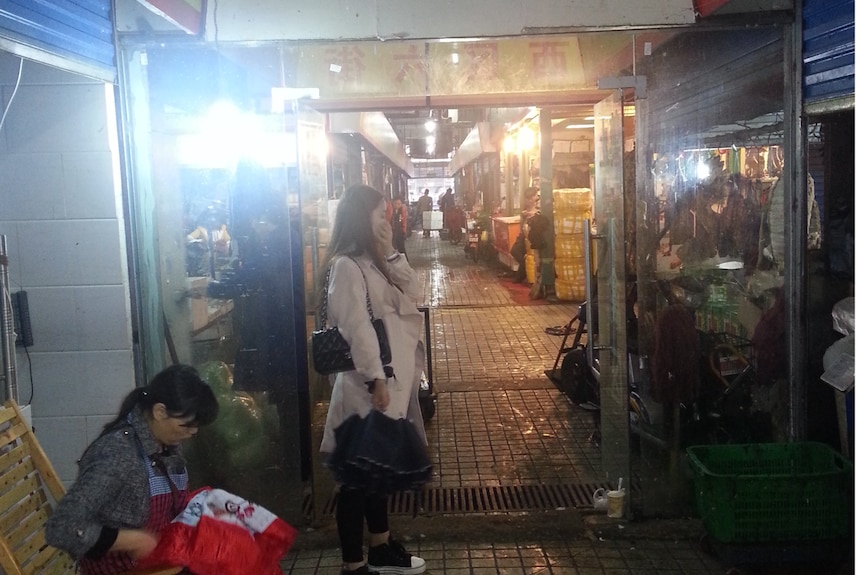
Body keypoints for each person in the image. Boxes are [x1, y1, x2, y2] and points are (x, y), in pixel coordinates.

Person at [317, 184, 427, 575]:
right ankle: (354, 563)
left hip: (386, 384)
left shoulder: (374, 259)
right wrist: (376, 379)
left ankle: (380, 547)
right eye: (380, 215)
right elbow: (356, 327)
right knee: (355, 482)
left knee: (374, 474)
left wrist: (392, 249)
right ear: (361, 218)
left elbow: (415, 290)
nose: (386, 221)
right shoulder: (346, 266)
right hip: (366, 388)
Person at [46, 364, 219, 575]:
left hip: (165, 556)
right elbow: (62, 527)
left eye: (196, 426)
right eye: (186, 425)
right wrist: (132, 540)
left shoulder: (165, 442)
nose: (193, 432)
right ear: (160, 412)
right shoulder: (119, 454)